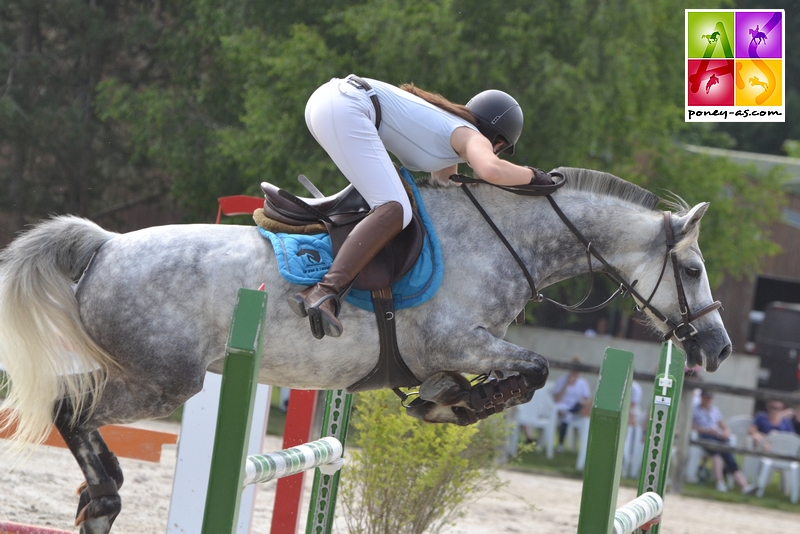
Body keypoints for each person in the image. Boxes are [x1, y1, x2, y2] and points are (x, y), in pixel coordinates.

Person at [290, 75, 553, 339]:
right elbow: (491, 170)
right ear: (496, 141)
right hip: (346, 106)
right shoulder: (471, 137)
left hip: (331, 103)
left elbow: (450, 200)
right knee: (396, 208)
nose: (493, 152)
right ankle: (324, 291)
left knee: (394, 206)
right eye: (499, 148)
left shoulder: (450, 137)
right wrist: (533, 176)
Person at [692, 390, 754, 493]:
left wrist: (726, 432)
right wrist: (706, 430)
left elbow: (724, 426)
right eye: (706, 397)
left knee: (729, 457)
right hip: (703, 436)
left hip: (717, 436)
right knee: (717, 453)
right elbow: (690, 426)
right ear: (702, 397)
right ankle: (720, 482)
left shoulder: (715, 410)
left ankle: (744, 486)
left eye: (710, 398)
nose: (708, 400)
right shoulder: (695, 410)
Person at [552, 356, 592, 452]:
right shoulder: (562, 380)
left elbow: (587, 400)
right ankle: (561, 444)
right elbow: (557, 399)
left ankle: (561, 444)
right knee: (566, 415)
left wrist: (581, 402)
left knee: (569, 415)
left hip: (576, 409)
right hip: (561, 407)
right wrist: (566, 384)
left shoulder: (583, 383)